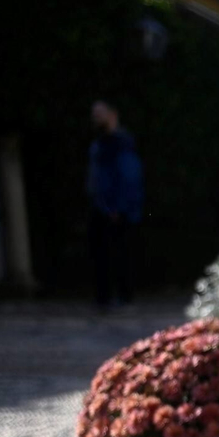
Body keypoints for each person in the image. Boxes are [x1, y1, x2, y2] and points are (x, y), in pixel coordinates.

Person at [88, 100, 144, 309]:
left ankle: (123, 295)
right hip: (101, 205)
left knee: (120, 253)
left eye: (99, 113)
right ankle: (104, 296)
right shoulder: (100, 143)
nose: (95, 118)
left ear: (113, 114)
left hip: (117, 209)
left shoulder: (121, 143)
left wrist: (119, 206)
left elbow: (129, 176)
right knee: (101, 253)